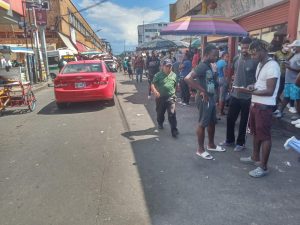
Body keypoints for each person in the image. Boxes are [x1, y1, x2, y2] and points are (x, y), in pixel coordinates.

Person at [237, 39, 280, 178]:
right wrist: (252, 86)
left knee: (265, 137)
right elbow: (260, 84)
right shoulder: (261, 64)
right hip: (256, 105)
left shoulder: (272, 66)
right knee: (255, 133)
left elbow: (270, 90)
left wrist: (249, 92)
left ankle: (263, 167)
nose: (253, 57)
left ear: (262, 51)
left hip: (264, 107)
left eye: (255, 54)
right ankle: (255, 157)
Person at [185, 45, 226, 160]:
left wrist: (215, 73)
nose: (216, 57)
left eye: (217, 55)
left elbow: (211, 82)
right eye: (214, 55)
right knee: (202, 123)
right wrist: (202, 90)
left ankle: (211, 145)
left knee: (212, 122)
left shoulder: (210, 65)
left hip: (211, 97)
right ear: (207, 55)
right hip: (204, 99)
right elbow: (188, 78)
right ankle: (200, 149)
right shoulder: (202, 66)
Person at [220, 37, 258, 152]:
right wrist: (232, 83)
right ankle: (229, 140)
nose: (244, 49)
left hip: (247, 96)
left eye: (247, 47)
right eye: (243, 47)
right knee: (230, 119)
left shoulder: (255, 61)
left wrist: (251, 87)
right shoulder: (237, 58)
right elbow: (235, 73)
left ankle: (241, 143)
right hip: (235, 95)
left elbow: (259, 78)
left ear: (252, 48)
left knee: (243, 122)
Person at [151, 59, 179, 138]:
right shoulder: (158, 75)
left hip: (171, 97)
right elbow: (152, 84)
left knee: (172, 113)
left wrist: (174, 93)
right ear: (163, 66)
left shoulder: (174, 75)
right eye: (167, 66)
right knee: (160, 113)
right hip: (160, 98)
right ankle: (160, 122)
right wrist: (155, 92)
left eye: (170, 66)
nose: (169, 68)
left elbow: (175, 85)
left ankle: (174, 130)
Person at [275, 40, 300, 119]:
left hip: (295, 81)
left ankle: (298, 117)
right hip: (288, 80)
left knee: (297, 99)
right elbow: (288, 61)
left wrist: (290, 67)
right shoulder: (294, 54)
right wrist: (291, 55)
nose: (293, 48)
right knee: (286, 97)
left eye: (295, 46)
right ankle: (280, 111)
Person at [273, 40, 292, 109]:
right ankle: (275, 101)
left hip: (288, 75)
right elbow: (273, 63)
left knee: (286, 89)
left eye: (288, 45)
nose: (287, 46)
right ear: (283, 45)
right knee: (278, 89)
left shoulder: (291, 54)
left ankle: (285, 102)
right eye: (286, 45)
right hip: (279, 74)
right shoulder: (277, 53)